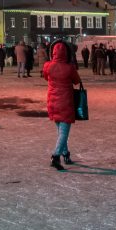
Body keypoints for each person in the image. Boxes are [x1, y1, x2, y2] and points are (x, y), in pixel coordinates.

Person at [43, 41, 82, 171]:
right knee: (64, 133)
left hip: (53, 102)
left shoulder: (47, 66)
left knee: (61, 132)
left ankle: (65, 154)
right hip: (65, 102)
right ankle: (55, 156)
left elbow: (46, 77)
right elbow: (77, 81)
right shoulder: (69, 68)